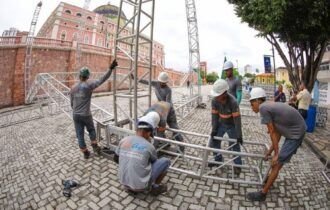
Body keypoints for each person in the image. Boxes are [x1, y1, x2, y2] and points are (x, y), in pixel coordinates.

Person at [247, 87, 306, 201]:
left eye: (252, 103)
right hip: (294, 131)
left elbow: (272, 132)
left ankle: (262, 194)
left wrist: (276, 154)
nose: (251, 106)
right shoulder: (268, 107)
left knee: (277, 163)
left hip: (296, 134)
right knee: (276, 163)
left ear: (258, 101)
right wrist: (270, 151)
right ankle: (270, 179)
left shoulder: (263, 108)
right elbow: (277, 132)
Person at [70, 59, 118, 159]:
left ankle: (85, 153)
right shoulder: (89, 85)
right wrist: (110, 68)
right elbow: (102, 79)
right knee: (91, 130)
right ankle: (95, 146)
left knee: (80, 134)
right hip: (86, 115)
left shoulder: (73, 88)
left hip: (75, 115)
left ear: (79, 76)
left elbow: (71, 103)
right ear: (88, 77)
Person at [114, 111, 171, 195]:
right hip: (141, 186)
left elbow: (115, 159)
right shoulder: (149, 146)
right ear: (148, 132)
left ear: (137, 129)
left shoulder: (124, 140)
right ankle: (153, 187)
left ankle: (130, 186)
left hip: (123, 182)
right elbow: (154, 162)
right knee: (166, 161)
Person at [133, 72, 184, 151]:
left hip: (169, 111)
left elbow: (168, 104)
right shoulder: (156, 84)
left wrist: (163, 119)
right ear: (159, 81)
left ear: (166, 82)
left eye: (164, 83)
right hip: (159, 109)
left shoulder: (168, 90)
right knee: (160, 128)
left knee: (174, 128)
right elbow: (146, 81)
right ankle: (165, 143)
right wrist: (135, 78)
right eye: (161, 82)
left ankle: (181, 147)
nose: (162, 84)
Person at [209, 79, 243, 174]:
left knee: (235, 144)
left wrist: (239, 135)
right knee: (215, 141)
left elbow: (237, 120)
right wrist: (214, 129)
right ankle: (218, 161)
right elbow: (214, 117)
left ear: (224, 93)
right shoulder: (214, 101)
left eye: (217, 94)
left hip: (232, 125)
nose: (216, 96)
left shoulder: (233, 102)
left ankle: (237, 165)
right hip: (221, 123)